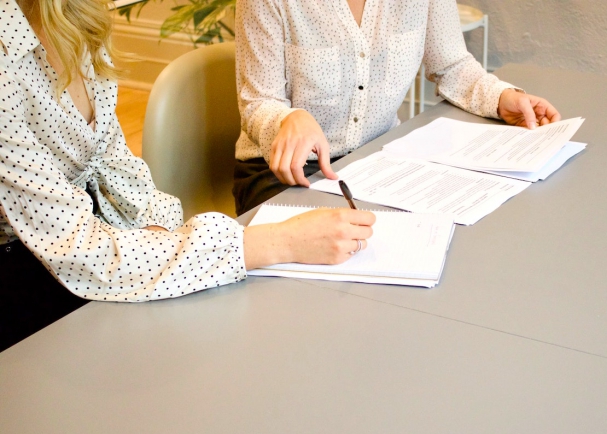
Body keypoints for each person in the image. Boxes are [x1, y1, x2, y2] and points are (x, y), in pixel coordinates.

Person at [0, 0, 375, 352]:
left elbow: (114, 164)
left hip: (93, 244)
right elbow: (80, 250)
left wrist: (160, 233)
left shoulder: (76, 18)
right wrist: (278, 243)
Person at [233, 0, 562, 214]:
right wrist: (288, 119)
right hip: (283, 172)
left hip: (376, 161)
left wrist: (502, 97)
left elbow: (451, 64)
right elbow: (258, 102)